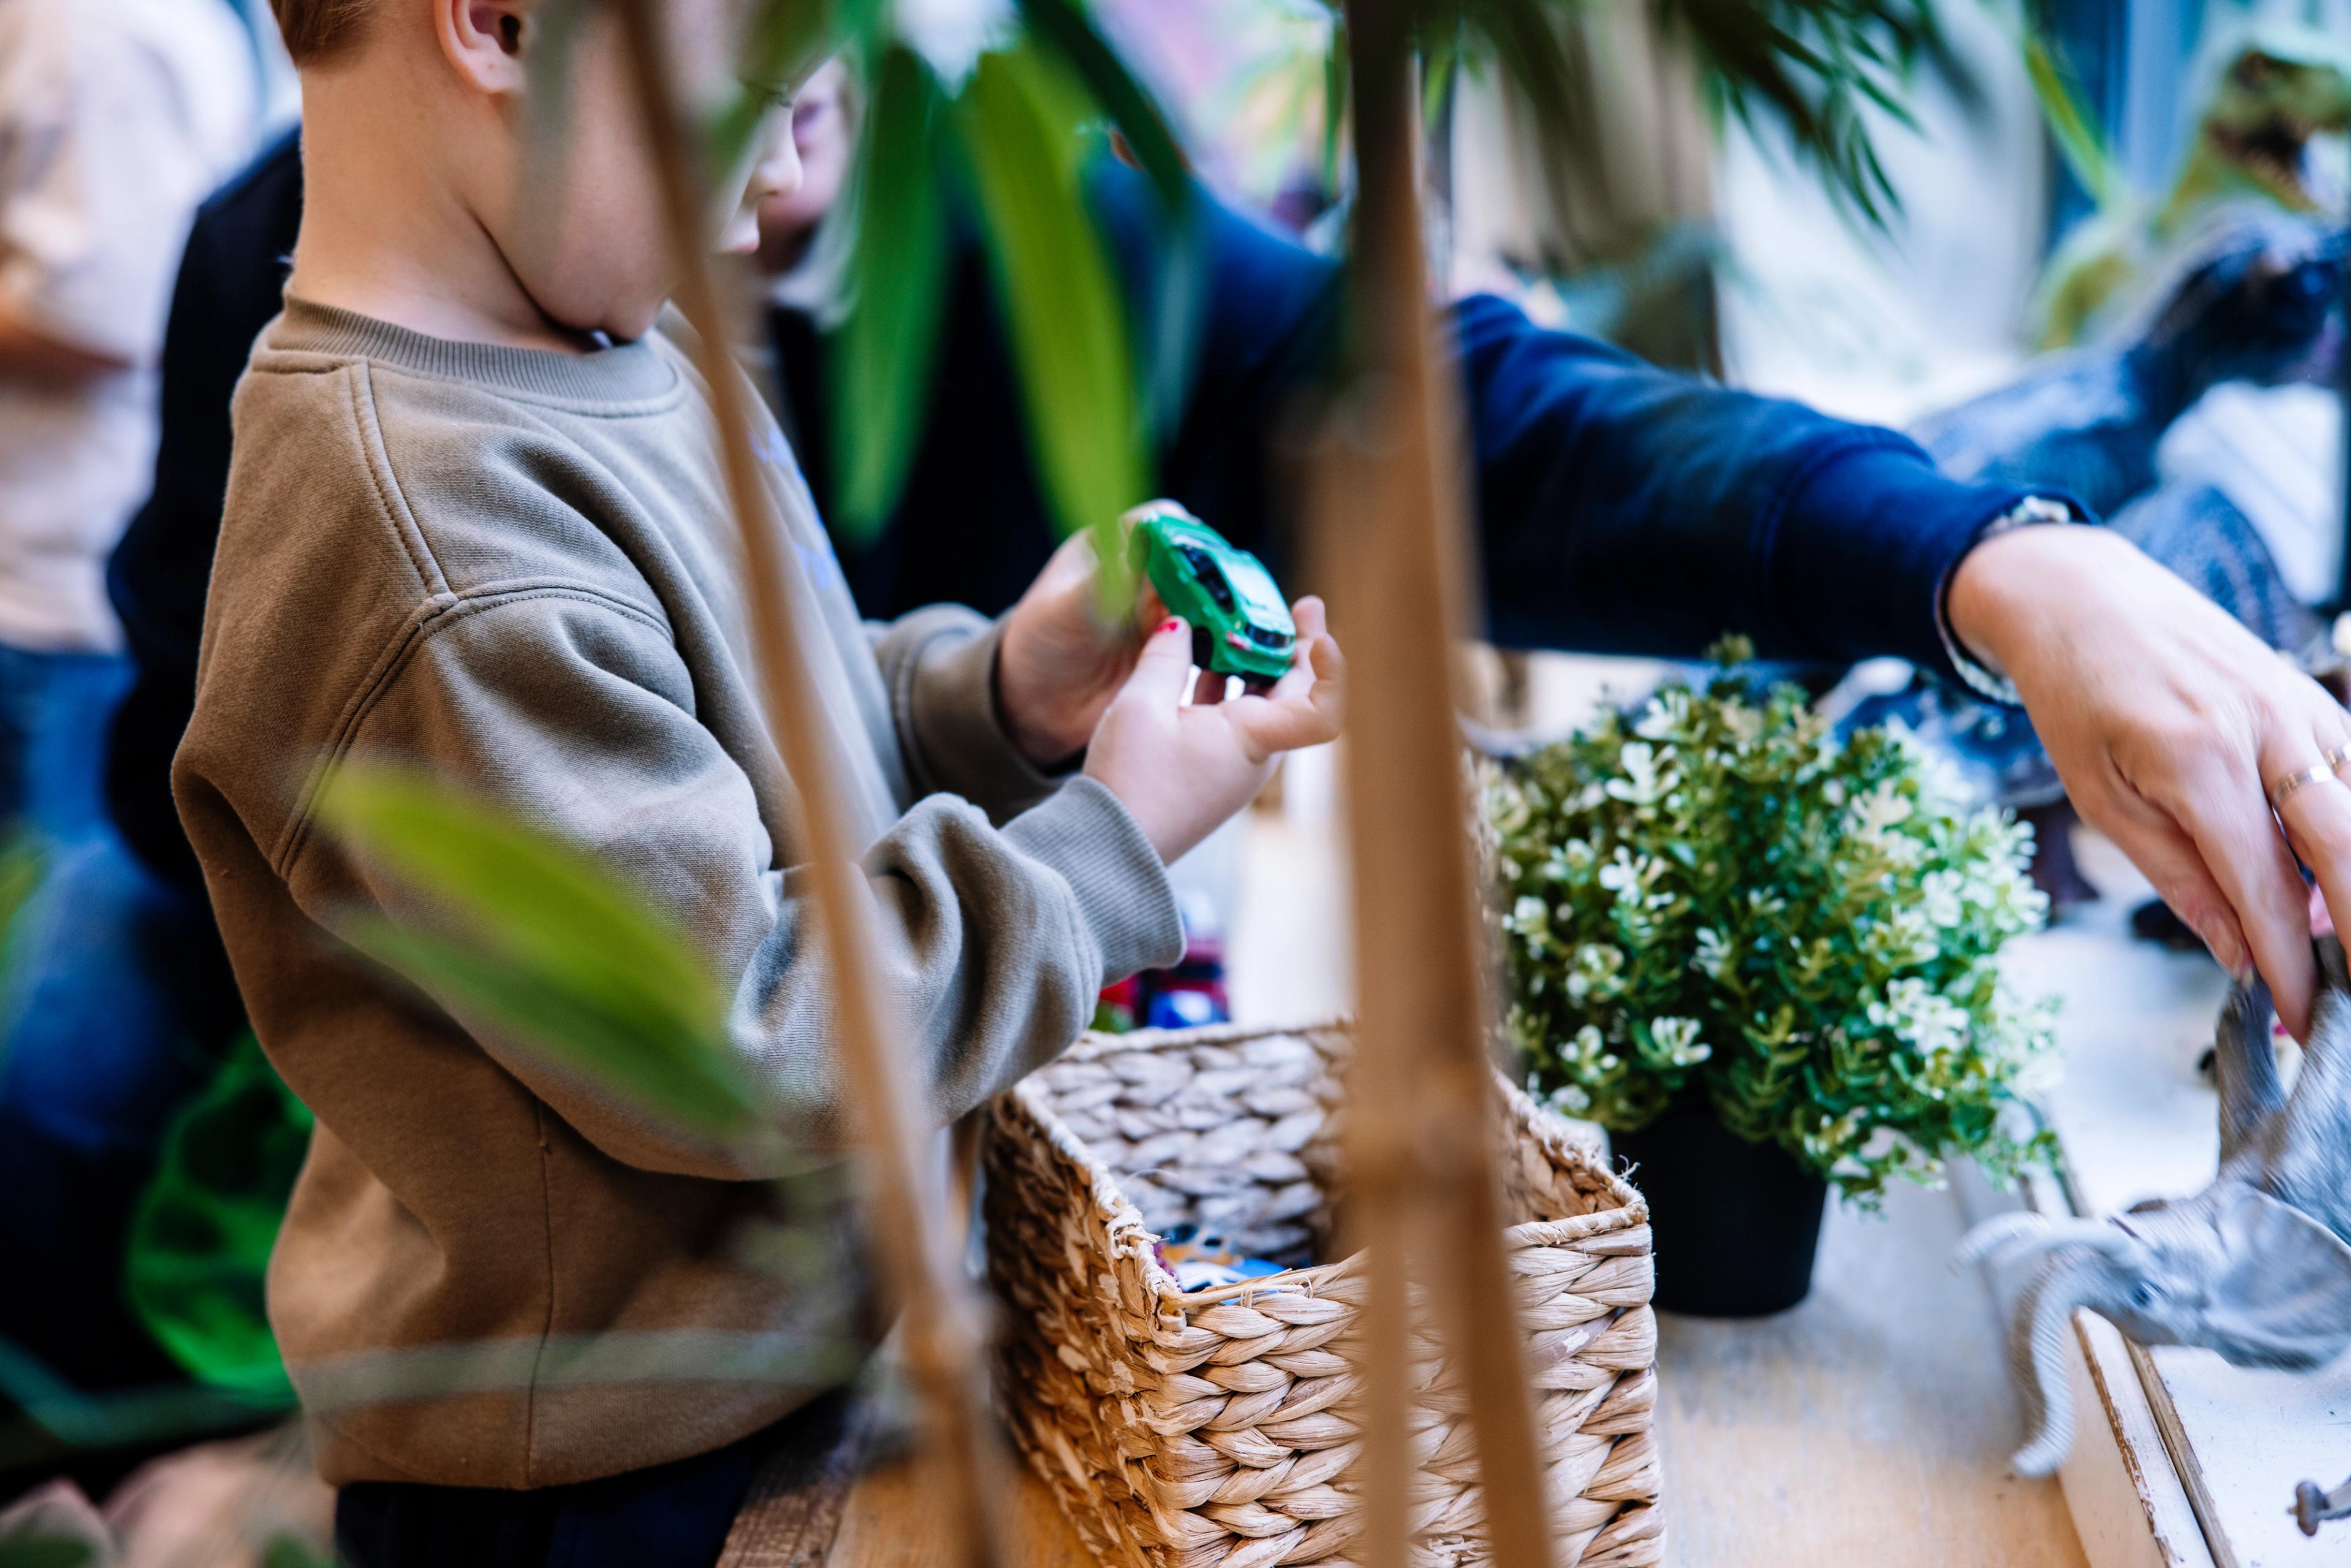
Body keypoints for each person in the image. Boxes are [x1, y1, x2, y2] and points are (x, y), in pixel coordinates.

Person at [174, 2, 1344, 1564]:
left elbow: (759, 748)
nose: (782, 188)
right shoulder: (431, 538)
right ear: (504, 25)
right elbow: (735, 1033)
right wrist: (1104, 845)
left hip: (778, 1384)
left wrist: (998, 690)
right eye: (756, 106)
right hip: (602, 1489)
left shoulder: (619, 342)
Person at [0, 0, 260, 1397]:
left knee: (50, 1043)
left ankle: (91, 1396)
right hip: (94, 630)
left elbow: (97, 313)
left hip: (65, 606)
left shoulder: (111, 33)